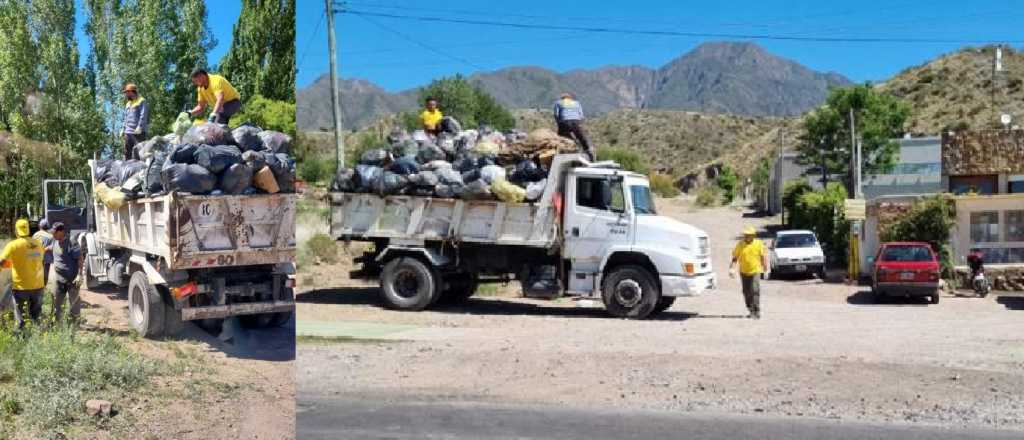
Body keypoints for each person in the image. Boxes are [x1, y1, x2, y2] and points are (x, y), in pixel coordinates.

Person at [0, 219, 45, 328]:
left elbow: (2, 262)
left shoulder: (13, 245)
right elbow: (39, 260)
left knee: (21, 319)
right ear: (28, 230)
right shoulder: (38, 243)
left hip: (21, 287)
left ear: (16, 230)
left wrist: (9, 265)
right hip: (38, 285)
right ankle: (36, 335)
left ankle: (22, 336)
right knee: (36, 317)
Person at [729, 226, 767, 319]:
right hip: (744, 271)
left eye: (749, 235)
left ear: (753, 235)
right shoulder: (740, 244)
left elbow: (763, 257)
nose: (747, 236)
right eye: (746, 234)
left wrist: (765, 269)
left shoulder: (759, 244)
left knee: (755, 290)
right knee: (746, 292)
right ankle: (750, 309)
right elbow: (735, 257)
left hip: (755, 271)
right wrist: (732, 268)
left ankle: (756, 311)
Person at [49, 223, 83, 323]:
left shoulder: (72, 242)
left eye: (55, 233)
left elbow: (80, 258)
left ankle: (74, 324)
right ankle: (56, 323)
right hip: (59, 279)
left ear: (61, 232)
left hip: (72, 279)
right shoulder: (55, 240)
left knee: (74, 303)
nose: (53, 235)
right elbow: (52, 248)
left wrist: (80, 274)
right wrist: (43, 250)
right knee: (57, 302)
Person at [553, 92, 594, 160]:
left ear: (562, 98)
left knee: (561, 137)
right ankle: (588, 152)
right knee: (581, 138)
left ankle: (565, 150)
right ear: (570, 98)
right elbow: (581, 115)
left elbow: (556, 115)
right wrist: (580, 124)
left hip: (564, 122)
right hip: (576, 122)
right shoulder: (577, 103)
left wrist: (559, 123)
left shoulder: (558, 103)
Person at [121, 83, 150, 160]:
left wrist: (140, 127)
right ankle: (126, 166)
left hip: (138, 132)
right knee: (127, 152)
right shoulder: (128, 104)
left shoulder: (141, 101)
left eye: (127, 92)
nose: (126, 94)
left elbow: (143, 115)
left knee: (139, 152)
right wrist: (123, 128)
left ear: (132, 91)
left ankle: (140, 166)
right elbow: (125, 117)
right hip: (128, 132)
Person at [32, 219, 53, 288]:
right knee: (45, 276)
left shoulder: (35, 235)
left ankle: (35, 287)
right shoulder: (50, 236)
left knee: (36, 275)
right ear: (48, 226)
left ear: (40, 226)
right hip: (46, 260)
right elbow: (52, 248)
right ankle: (43, 288)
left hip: (36, 258)